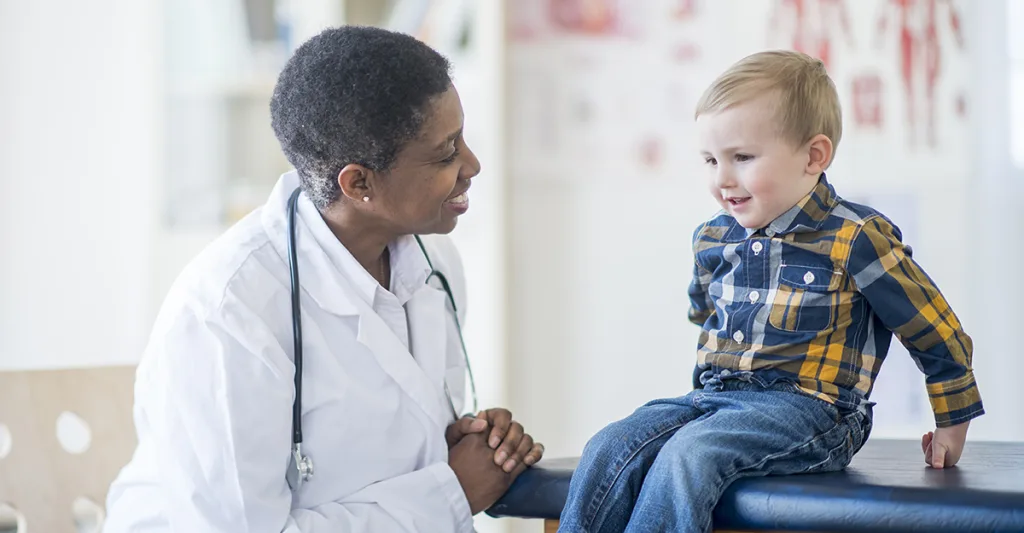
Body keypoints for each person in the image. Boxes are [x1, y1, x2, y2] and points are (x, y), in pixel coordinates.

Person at [103, 26, 543, 532]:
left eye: (462, 138)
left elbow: (399, 452)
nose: (473, 165)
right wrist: (451, 491)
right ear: (359, 183)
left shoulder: (434, 264)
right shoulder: (228, 313)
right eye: (445, 153)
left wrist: (469, 444)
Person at [558, 50, 983, 532]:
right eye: (710, 160)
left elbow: (934, 329)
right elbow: (706, 313)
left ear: (813, 156)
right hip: (716, 399)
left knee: (690, 455)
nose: (722, 179)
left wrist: (953, 423)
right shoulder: (714, 237)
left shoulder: (855, 237)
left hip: (815, 412)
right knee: (609, 446)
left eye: (742, 157)